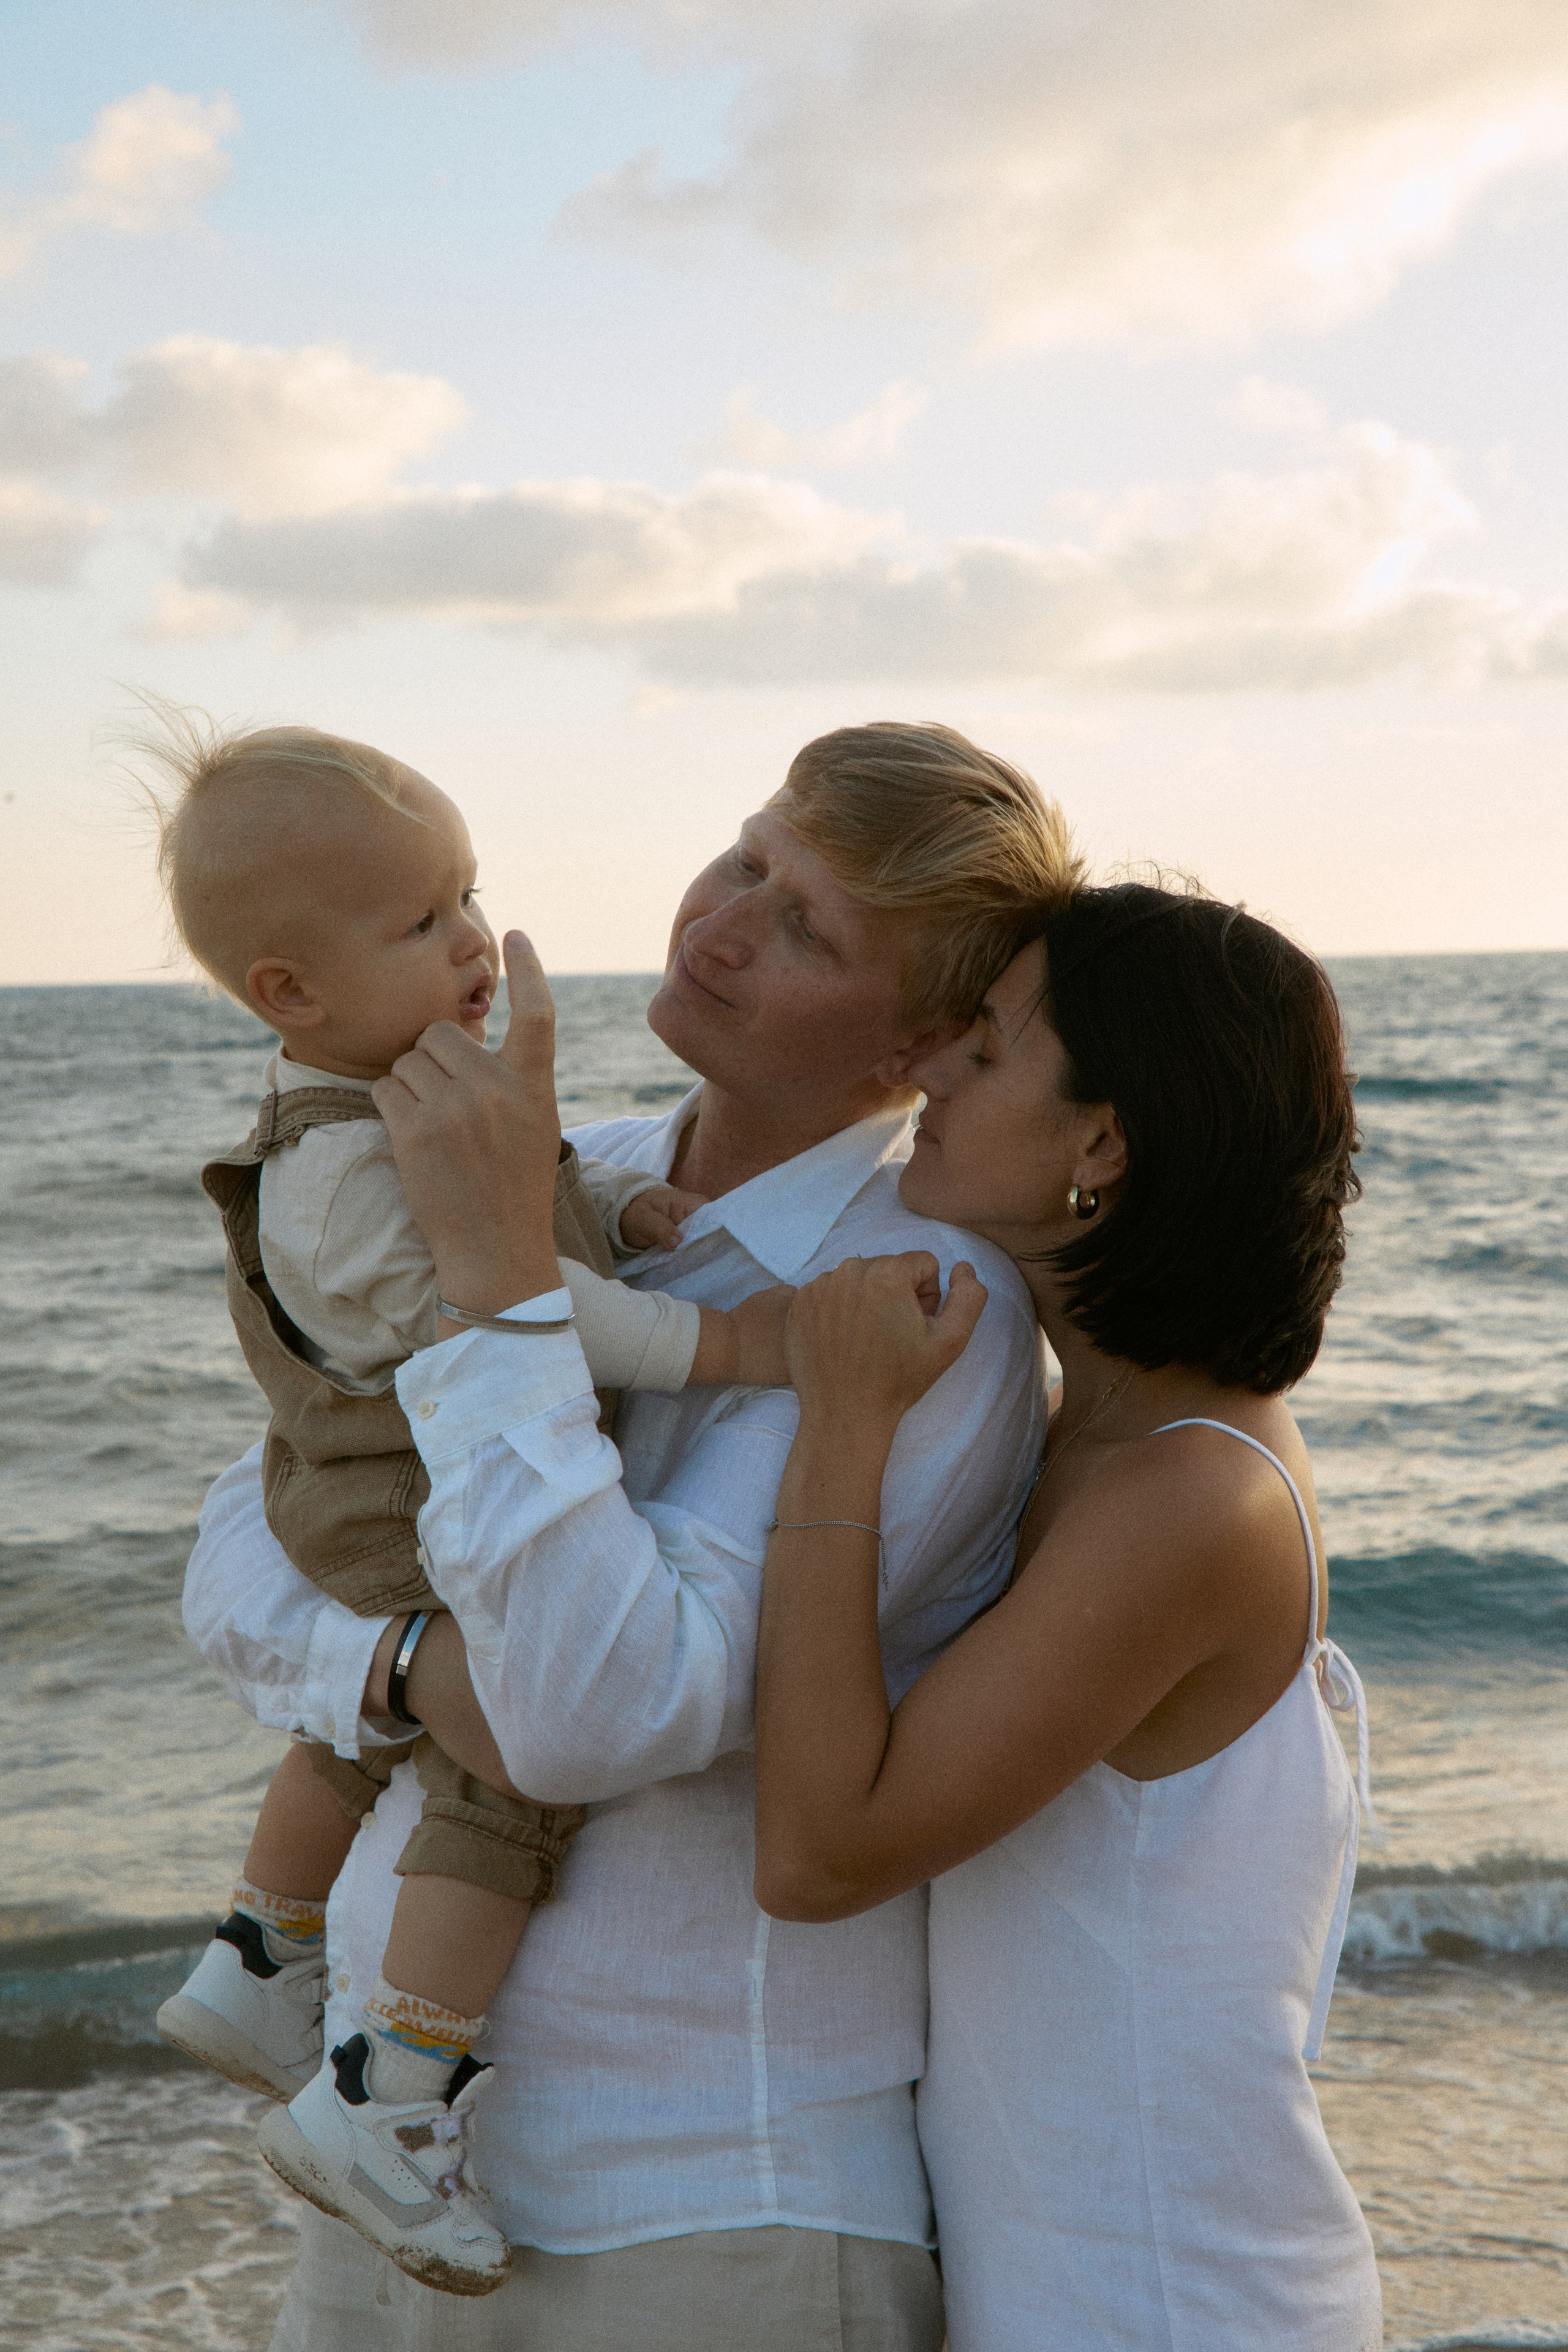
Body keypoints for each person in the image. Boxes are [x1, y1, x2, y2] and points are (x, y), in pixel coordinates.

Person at [181, 722, 1076, 2350]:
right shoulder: (556, 1164)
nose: (721, 923)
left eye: (805, 927)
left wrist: (505, 1296)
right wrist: (400, 1665)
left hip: (701, 2212)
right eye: (746, 858)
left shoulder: (925, 1316)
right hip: (377, 2183)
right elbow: (240, 1544)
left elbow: (605, 1708)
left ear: (928, 1039)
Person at [141, 716, 796, 2294]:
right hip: (377, 1495)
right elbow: (523, 1309)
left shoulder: (398, 1085)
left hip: (364, 1488)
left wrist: (629, 1198)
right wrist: (739, 1339)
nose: (470, 945)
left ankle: (261, 1949)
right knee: (511, 1754)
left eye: (466, 897)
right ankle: (389, 2095)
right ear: (290, 995)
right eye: (420, 924)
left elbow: (534, 1184)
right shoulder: (349, 1171)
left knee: (389, 1713)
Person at [750, 881, 1384, 2351]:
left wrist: (840, 1424)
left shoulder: (1190, 1504)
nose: (927, 1070)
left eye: (983, 1046)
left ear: (1100, 1142)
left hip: (1173, 2301)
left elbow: (820, 1850)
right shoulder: (1098, 1441)